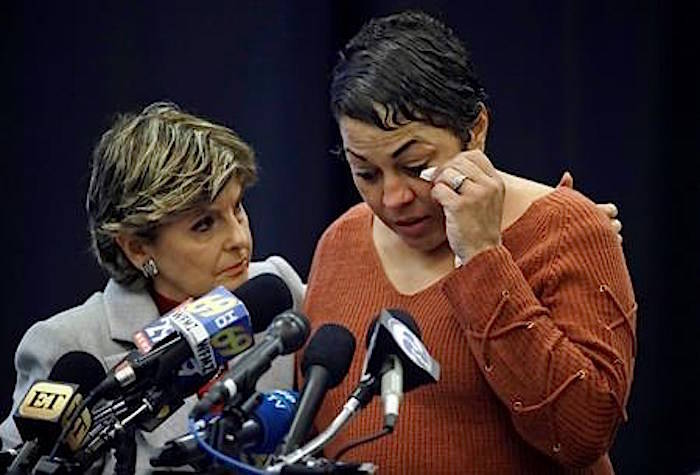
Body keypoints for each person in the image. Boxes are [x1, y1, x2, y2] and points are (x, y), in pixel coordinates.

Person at [303, 10, 636, 474]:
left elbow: (581, 435)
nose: (394, 197)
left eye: (416, 165)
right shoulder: (341, 241)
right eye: (366, 173)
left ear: (475, 129)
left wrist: (482, 256)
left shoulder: (568, 229)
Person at [0, 102, 305, 473]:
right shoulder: (67, 346)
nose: (239, 239)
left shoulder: (275, 293)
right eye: (204, 225)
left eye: (237, 208)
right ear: (137, 247)